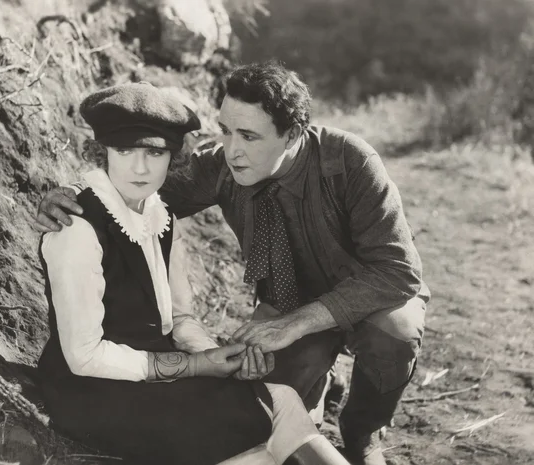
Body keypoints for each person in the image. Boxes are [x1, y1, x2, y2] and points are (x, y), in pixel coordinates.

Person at [35, 63, 431, 465]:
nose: (231, 149)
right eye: (225, 130)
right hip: (284, 305)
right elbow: (135, 191)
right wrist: (75, 193)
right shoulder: (218, 166)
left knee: (393, 335)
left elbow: (398, 271)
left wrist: (294, 324)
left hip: (368, 299)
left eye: (249, 136)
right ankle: (319, 383)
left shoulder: (350, 161)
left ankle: (364, 431)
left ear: (292, 134)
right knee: (259, 403)